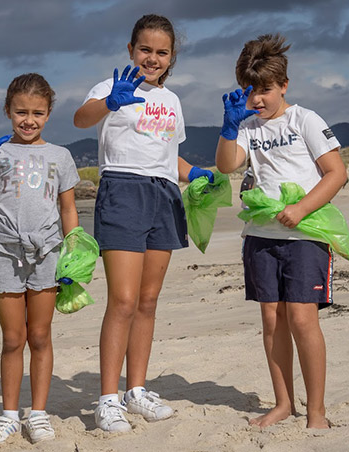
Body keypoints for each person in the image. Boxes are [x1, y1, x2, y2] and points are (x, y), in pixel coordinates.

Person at [73, 14, 213, 433]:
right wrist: (111, 101)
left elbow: (169, 154)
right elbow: (81, 119)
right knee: (123, 300)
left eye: (161, 52)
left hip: (165, 195)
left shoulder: (172, 102)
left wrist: (198, 174)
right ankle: (108, 399)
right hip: (123, 189)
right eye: (145, 49)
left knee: (148, 302)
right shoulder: (110, 87)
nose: (152, 58)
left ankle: (136, 391)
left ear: (172, 58)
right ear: (131, 50)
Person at [215, 34, 347, 429]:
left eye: (266, 90)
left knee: (303, 320)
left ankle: (317, 411)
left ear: (284, 85)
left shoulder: (305, 119)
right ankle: (283, 403)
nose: (258, 99)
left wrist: (302, 208)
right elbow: (227, 166)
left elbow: (336, 173)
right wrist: (228, 126)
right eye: (250, 90)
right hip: (260, 236)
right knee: (272, 321)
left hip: (305, 234)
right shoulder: (247, 126)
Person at [0, 73, 80, 446]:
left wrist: (73, 251)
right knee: (13, 338)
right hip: (7, 253)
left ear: (48, 114)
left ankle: (39, 414)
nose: (29, 120)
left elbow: (68, 208)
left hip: (47, 253)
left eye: (37, 113)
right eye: (20, 112)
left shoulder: (60, 156)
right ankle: (9, 415)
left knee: (40, 335)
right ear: (8, 111)